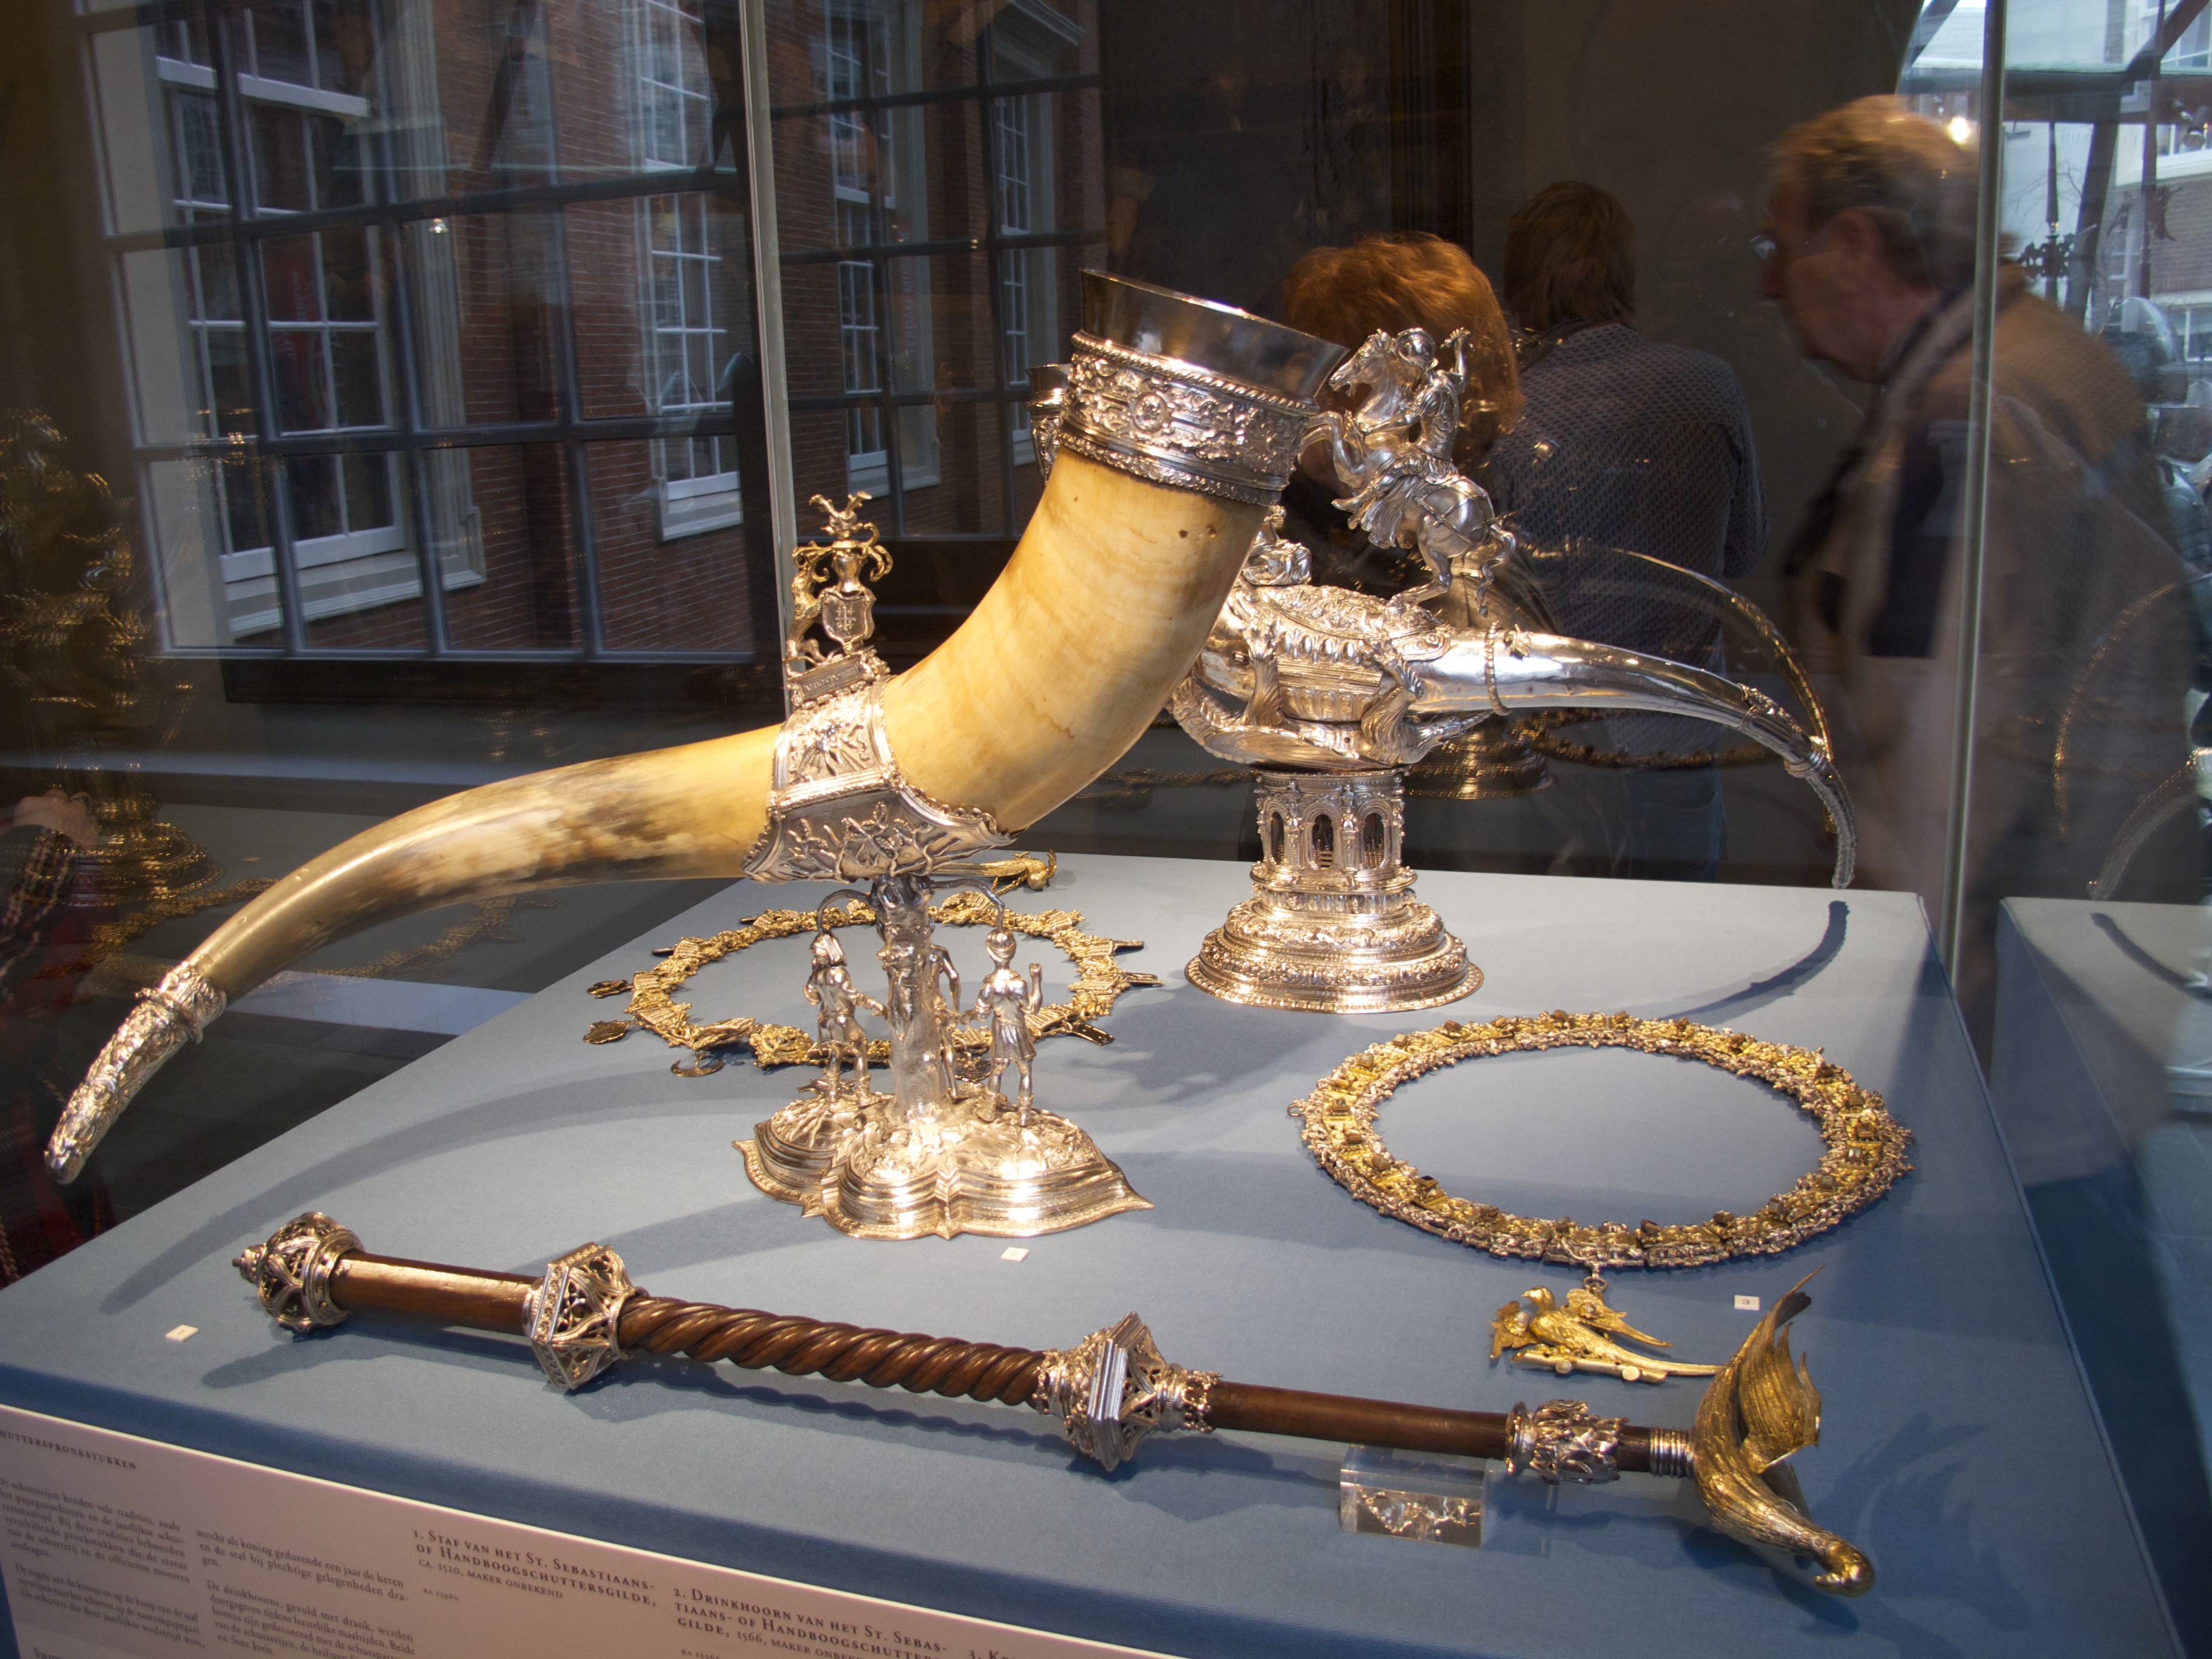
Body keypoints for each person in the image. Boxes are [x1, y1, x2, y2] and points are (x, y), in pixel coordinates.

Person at [1765, 96, 2192, 1034]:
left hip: (1998, 978)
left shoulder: (1961, 412)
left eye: (1782, 248)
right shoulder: (2049, 352)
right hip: (2084, 939)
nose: (1768, 283)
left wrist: (1901, 1011)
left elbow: (1944, 768)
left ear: (1856, 243)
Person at [1481, 181, 1769, 880]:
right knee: (1684, 922)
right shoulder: (1707, 385)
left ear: (1517, 282)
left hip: (1557, 736)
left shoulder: (1506, 410)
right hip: (1677, 725)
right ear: (1625, 271)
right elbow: (1744, 551)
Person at [1276, 234, 1521, 595]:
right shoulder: (1299, 509)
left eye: (1309, 369)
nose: (1293, 381)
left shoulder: (1429, 396)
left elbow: (1409, 418)